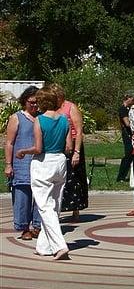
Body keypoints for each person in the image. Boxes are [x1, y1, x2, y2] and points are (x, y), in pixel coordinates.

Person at [16, 87, 72, 260]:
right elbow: (69, 147)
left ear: (42, 102)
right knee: (55, 204)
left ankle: (59, 245)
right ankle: (43, 246)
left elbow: (38, 148)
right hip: (60, 162)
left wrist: (23, 151)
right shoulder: (64, 120)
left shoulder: (39, 120)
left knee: (45, 206)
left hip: (43, 163)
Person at [4, 86, 42, 240]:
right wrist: (8, 164)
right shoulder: (16, 118)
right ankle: (24, 227)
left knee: (40, 195)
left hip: (39, 163)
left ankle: (38, 226)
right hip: (21, 163)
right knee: (22, 196)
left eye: (37, 103)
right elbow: (9, 143)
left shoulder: (41, 117)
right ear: (24, 101)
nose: (34, 105)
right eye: (31, 102)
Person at [49, 84, 88, 222]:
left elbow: (78, 131)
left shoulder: (71, 107)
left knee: (74, 178)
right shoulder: (51, 108)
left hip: (72, 146)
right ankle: (58, 209)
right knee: (58, 178)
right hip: (57, 146)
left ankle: (75, 209)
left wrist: (76, 151)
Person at [116, 91, 134, 182]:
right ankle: (121, 175)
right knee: (128, 153)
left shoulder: (130, 109)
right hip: (127, 133)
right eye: (132, 99)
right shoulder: (123, 109)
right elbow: (127, 123)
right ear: (128, 98)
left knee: (131, 154)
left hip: (131, 133)